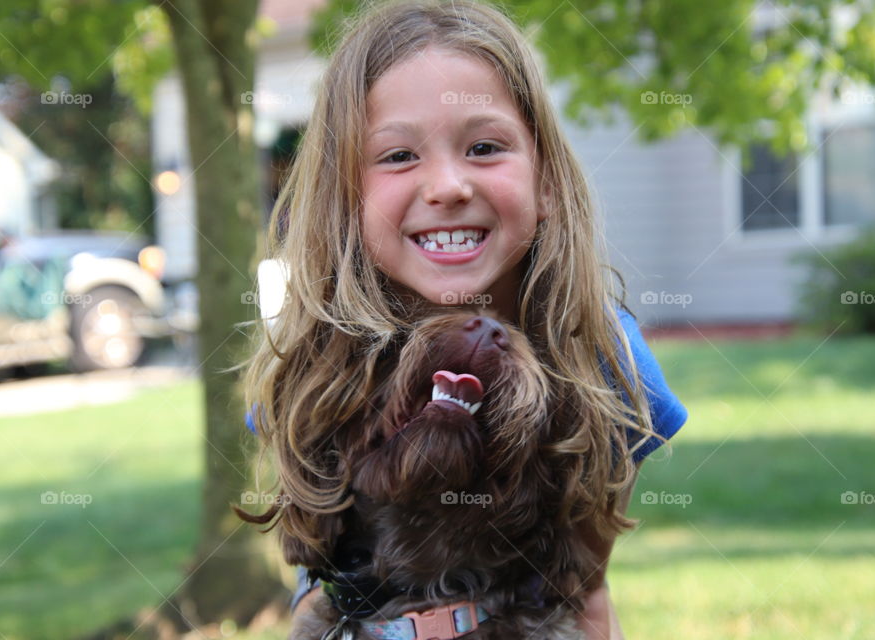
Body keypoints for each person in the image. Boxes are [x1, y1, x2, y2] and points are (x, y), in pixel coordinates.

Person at [242, 1, 688, 637]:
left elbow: (582, 588)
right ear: (345, 198)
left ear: (548, 185)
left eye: (484, 147)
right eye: (397, 156)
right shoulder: (314, 365)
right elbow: (315, 582)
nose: (447, 185)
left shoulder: (607, 365)